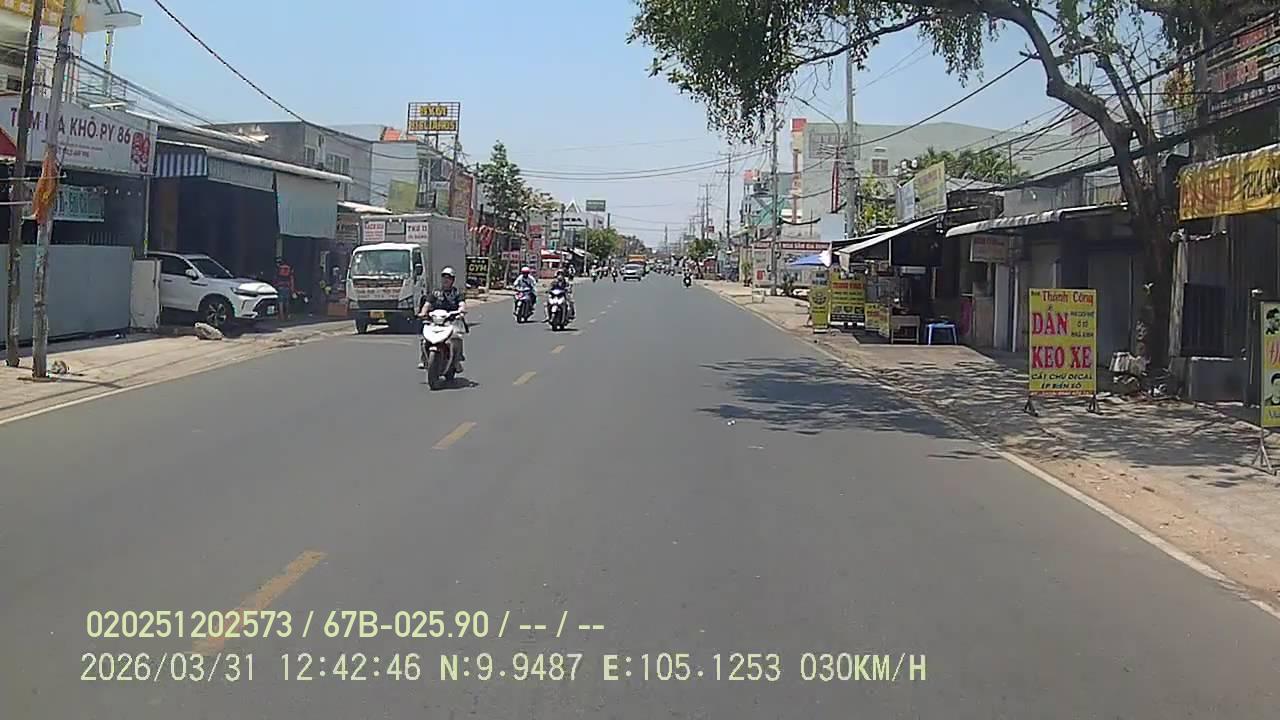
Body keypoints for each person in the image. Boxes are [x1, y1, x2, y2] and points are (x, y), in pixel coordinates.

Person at [417, 267, 467, 370]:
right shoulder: (435, 292)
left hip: (451, 320)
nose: (446, 280)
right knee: (424, 338)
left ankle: (456, 361)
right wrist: (423, 313)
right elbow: (427, 304)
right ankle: (424, 359)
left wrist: (461, 311)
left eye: (448, 278)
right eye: (444, 277)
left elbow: (462, 304)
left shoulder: (457, 293)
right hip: (435, 320)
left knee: (457, 338)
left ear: (452, 280)